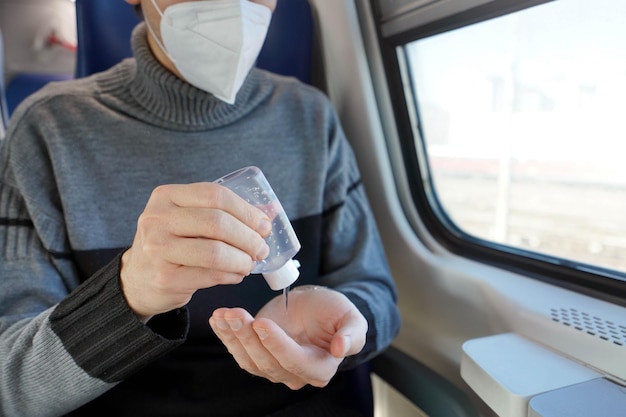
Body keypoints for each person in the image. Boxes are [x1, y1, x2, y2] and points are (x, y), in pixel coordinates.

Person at [0, 0, 401, 415]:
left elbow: (377, 293)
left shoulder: (311, 115)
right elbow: (11, 384)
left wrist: (345, 329)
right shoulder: (47, 130)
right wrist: (129, 295)